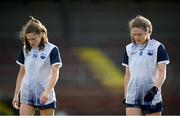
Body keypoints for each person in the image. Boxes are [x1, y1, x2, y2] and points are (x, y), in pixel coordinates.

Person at [12, 16, 62, 115]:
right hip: (27, 94)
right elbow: (21, 73)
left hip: (45, 95)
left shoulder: (52, 49)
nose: (31, 42)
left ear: (41, 34)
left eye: (33, 39)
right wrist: (16, 94)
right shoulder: (25, 49)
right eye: (28, 39)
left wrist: (47, 92)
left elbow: (55, 73)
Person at [122, 15, 169, 115]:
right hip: (133, 95)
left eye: (139, 34)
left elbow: (162, 73)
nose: (136, 37)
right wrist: (126, 95)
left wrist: (154, 90)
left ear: (148, 31)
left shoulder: (158, 47)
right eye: (134, 34)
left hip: (151, 94)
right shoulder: (128, 48)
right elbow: (128, 75)